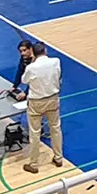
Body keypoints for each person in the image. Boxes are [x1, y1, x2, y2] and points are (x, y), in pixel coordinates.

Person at [19, 42, 64, 173]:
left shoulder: (31, 68)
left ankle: (34, 164)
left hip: (36, 102)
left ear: (33, 52)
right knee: (55, 129)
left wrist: (31, 64)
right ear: (45, 50)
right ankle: (58, 158)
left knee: (34, 133)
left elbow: (24, 80)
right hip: (53, 99)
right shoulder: (56, 61)